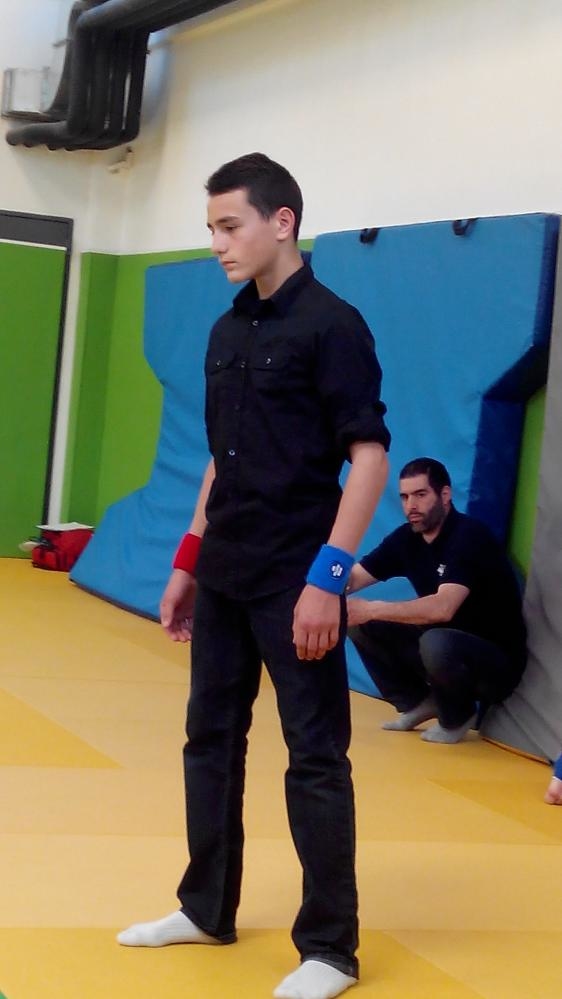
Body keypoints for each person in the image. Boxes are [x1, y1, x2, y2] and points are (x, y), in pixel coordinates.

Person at [117, 152, 391, 999]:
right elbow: (219, 460)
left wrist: (327, 578)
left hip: (295, 578)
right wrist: (187, 561)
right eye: (210, 228)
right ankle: (206, 907)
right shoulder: (225, 331)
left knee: (315, 756)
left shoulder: (334, 326)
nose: (217, 244)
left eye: (229, 225)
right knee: (209, 739)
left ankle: (331, 949)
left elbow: (369, 456)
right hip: (226, 571)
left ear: (282, 222)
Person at [347, 457, 527, 744]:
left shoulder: (468, 537)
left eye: (420, 495)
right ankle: (419, 702)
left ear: (445, 495)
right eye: (405, 497)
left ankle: (458, 716)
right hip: (443, 653)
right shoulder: (407, 539)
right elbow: (355, 578)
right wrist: (317, 587)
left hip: (494, 665)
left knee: (432, 639)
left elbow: (443, 608)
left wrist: (371, 608)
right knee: (359, 623)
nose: (411, 506)